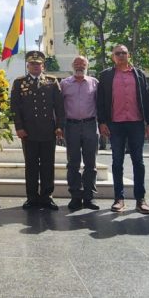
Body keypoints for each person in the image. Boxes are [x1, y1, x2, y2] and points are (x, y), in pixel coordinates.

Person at [96, 44, 149, 214]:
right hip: (115, 123)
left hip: (136, 123)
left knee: (138, 161)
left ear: (129, 55)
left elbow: (147, 98)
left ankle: (140, 199)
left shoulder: (139, 74)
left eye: (124, 53)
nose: (121, 55)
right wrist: (102, 122)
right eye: (117, 53)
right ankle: (119, 199)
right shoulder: (106, 75)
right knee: (117, 162)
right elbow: (100, 101)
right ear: (113, 56)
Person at [10, 51, 65, 210]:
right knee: (31, 165)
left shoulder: (52, 82)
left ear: (43, 66)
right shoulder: (19, 82)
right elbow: (15, 107)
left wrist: (59, 126)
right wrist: (19, 127)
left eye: (38, 64)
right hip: (28, 132)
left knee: (48, 165)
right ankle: (32, 197)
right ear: (27, 66)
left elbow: (59, 106)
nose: (35, 66)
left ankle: (47, 196)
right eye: (32, 64)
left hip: (48, 131)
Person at [59, 56, 98, 211]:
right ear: (72, 66)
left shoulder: (95, 83)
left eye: (82, 64)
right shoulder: (64, 84)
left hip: (90, 125)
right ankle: (75, 196)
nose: (79, 66)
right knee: (73, 163)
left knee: (91, 163)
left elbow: (99, 104)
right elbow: (59, 107)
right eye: (76, 64)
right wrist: (59, 127)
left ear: (87, 65)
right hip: (71, 126)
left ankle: (89, 197)